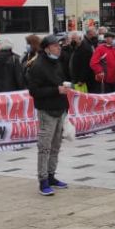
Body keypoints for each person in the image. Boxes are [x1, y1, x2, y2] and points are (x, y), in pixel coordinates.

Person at [27, 34, 71, 196]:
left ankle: (52, 176)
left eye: (59, 46)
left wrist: (66, 100)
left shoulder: (56, 62)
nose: (58, 48)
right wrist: (56, 90)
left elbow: (60, 81)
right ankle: (43, 180)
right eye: (55, 46)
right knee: (44, 147)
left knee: (56, 146)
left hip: (60, 109)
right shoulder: (38, 65)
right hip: (47, 111)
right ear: (47, 49)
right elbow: (34, 91)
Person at [71, 27, 98, 93]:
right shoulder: (77, 47)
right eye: (72, 39)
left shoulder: (85, 48)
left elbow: (86, 65)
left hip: (84, 80)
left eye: (74, 39)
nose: (72, 40)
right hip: (78, 78)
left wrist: (82, 79)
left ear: (80, 38)